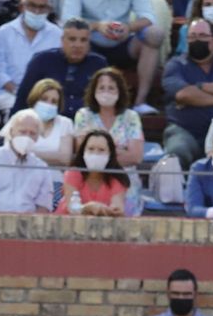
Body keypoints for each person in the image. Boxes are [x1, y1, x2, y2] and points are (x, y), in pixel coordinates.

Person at [62, 0, 162, 112]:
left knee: (155, 34)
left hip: (123, 43)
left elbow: (148, 17)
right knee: (71, 38)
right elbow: (69, 21)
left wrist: (128, 27)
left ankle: (140, 102)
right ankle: (78, 100)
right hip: (90, 44)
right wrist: (97, 26)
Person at [160, 16, 213, 167]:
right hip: (184, 130)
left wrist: (201, 86)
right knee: (176, 153)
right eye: (192, 36)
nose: (197, 40)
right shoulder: (175, 65)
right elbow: (184, 94)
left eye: (203, 36)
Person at [73, 65, 142, 209]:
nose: (106, 92)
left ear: (119, 91)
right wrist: (119, 151)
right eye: (102, 88)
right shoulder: (83, 115)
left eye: (111, 88)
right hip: (91, 180)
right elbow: (82, 153)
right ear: (94, 91)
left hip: (125, 180)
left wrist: (100, 154)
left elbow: (135, 156)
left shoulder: (131, 117)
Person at [14, 16, 107, 118]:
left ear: (89, 43)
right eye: (72, 39)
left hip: (85, 123)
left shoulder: (99, 64)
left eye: (83, 40)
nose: (77, 45)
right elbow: (23, 98)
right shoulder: (42, 60)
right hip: (47, 122)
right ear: (62, 40)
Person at [0, 0, 59, 116]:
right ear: (22, 7)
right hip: (9, 92)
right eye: (32, 6)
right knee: (15, 109)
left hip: (45, 94)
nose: (37, 11)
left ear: (48, 9)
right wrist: (17, 90)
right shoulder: (5, 31)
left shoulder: (57, 34)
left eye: (42, 7)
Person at [0, 106, 51, 212]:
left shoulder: (42, 168)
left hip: (28, 225)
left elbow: (43, 207)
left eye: (32, 133)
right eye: (22, 132)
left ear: (37, 137)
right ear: (11, 132)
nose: (27, 137)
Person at [56, 127, 126, 216]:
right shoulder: (73, 173)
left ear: (110, 155)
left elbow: (117, 207)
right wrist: (88, 208)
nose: (95, 154)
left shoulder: (117, 178)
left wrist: (109, 210)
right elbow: (71, 207)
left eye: (101, 150)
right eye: (91, 149)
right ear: (83, 152)